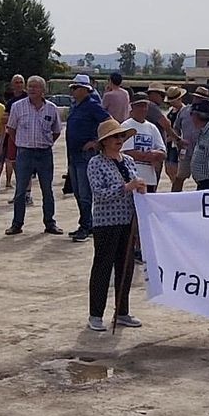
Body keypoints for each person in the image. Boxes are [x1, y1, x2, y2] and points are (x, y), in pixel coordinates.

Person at [86, 118, 146, 331]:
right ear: (104, 141)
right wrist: (127, 187)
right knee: (103, 267)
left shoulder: (128, 160)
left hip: (127, 221)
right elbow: (99, 194)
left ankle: (122, 311)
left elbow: (135, 185)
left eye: (121, 136)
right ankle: (95, 314)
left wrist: (140, 190)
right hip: (106, 222)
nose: (119, 140)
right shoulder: (96, 163)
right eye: (114, 137)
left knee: (126, 267)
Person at [4, 76, 63, 235]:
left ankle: (50, 223)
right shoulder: (17, 107)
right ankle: (17, 224)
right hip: (25, 152)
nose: (31, 89)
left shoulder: (51, 108)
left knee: (47, 190)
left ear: (43, 90)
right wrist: (20, 143)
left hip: (44, 153)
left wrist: (47, 143)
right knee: (20, 190)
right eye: (29, 86)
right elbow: (11, 128)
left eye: (35, 87)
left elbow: (57, 131)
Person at [65, 73, 110, 242]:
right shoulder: (75, 106)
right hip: (74, 154)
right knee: (78, 192)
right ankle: (86, 223)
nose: (73, 90)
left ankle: (86, 226)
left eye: (76, 88)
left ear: (85, 89)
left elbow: (109, 122)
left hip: (85, 156)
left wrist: (97, 142)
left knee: (84, 193)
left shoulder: (92, 105)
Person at [121, 93, 167, 192]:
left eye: (145, 106)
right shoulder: (126, 126)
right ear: (132, 107)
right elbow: (127, 153)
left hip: (149, 179)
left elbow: (163, 153)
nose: (143, 109)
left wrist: (156, 154)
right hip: (131, 179)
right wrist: (149, 156)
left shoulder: (152, 128)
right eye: (139, 106)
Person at [172, 88, 205, 192]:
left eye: (200, 98)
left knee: (202, 180)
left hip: (202, 152)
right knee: (179, 177)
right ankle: (174, 198)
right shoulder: (184, 111)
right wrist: (178, 141)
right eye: (196, 97)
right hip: (186, 151)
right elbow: (176, 128)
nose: (197, 100)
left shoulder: (208, 113)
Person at [1, 74, 27, 189]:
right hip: (13, 134)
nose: (19, 85)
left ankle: (26, 190)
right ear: (12, 85)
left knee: (26, 164)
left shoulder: (29, 98)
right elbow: (4, 119)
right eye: (16, 82)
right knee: (13, 161)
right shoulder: (10, 102)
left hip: (27, 135)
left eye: (21, 82)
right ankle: (20, 186)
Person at [163, 87, 187, 184]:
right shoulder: (171, 110)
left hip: (176, 143)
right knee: (168, 168)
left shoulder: (184, 111)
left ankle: (176, 186)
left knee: (174, 167)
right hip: (169, 141)